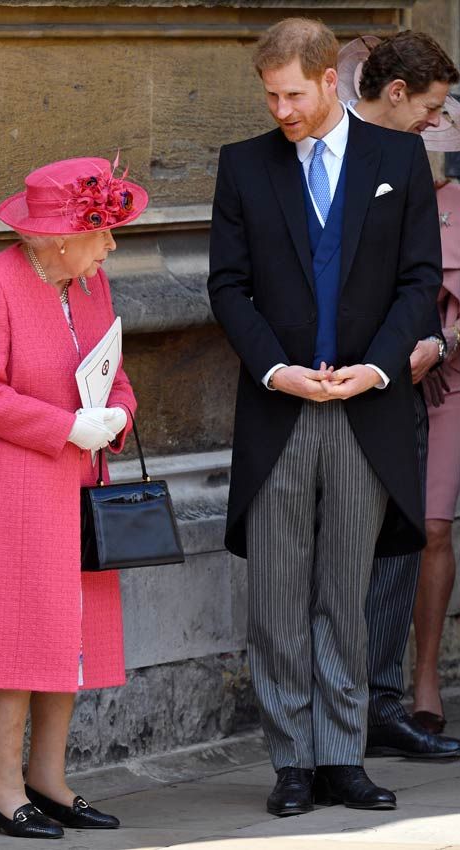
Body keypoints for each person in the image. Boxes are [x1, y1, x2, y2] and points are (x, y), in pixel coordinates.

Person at [208, 17, 442, 817]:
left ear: (328, 80)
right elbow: (226, 288)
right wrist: (277, 370)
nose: (281, 110)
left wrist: (375, 368)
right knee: (276, 597)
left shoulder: (397, 159)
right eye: (269, 96)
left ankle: (342, 756)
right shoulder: (242, 168)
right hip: (278, 409)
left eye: (293, 94)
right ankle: (291, 764)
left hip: (364, 408)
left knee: (344, 591)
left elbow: (416, 280)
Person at [0, 156, 148, 839]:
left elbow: (112, 371)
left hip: (79, 485)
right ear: (62, 235)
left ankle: (48, 780)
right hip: (12, 489)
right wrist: (64, 425)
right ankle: (0, 791)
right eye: (104, 231)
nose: (112, 245)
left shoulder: (91, 284)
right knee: (15, 638)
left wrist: (117, 414)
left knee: (70, 638)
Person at [339, 32, 460, 759]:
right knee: (338, 553)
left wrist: (428, 344)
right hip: (330, 382)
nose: (435, 123)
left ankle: (384, 704)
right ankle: (328, 716)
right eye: (431, 106)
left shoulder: (410, 166)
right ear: (393, 92)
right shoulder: (317, 154)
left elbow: (415, 273)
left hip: (410, 378)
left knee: (399, 541)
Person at [414, 177, 460, 733]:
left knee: (435, 529)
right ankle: (404, 684)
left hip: (450, 377)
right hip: (392, 379)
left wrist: (442, 344)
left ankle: (427, 679)